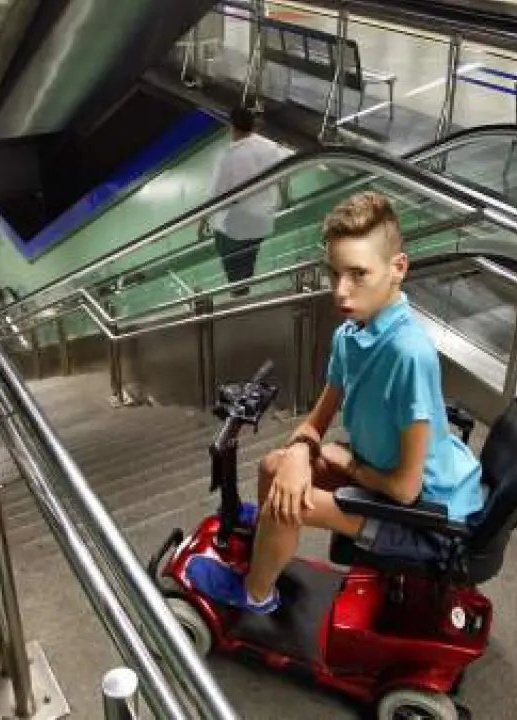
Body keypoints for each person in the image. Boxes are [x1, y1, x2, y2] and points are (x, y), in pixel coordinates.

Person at [185, 191, 485, 614]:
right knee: (273, 467)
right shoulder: (350, 334)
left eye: (358, 274)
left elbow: (405, 490)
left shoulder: (408, 355)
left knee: (288, 505)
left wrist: (347, 464)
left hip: (428, 517)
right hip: (384, 477)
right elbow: (318, 420)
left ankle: (256, 594)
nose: (341, 292)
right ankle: (269, 540)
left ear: (398, 268)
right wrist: (298, 453)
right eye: (335, 273)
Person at [205, 106, 288, 296]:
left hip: (237, 224)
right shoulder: (269, 147)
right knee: (249, 256)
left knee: (232, 260)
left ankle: (240, 295)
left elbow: (215, 195)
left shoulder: (228, 157)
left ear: (232, 127)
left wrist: (204, 221)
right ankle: (245, 286)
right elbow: (285, 166)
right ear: (253, 125)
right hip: (262, 220)